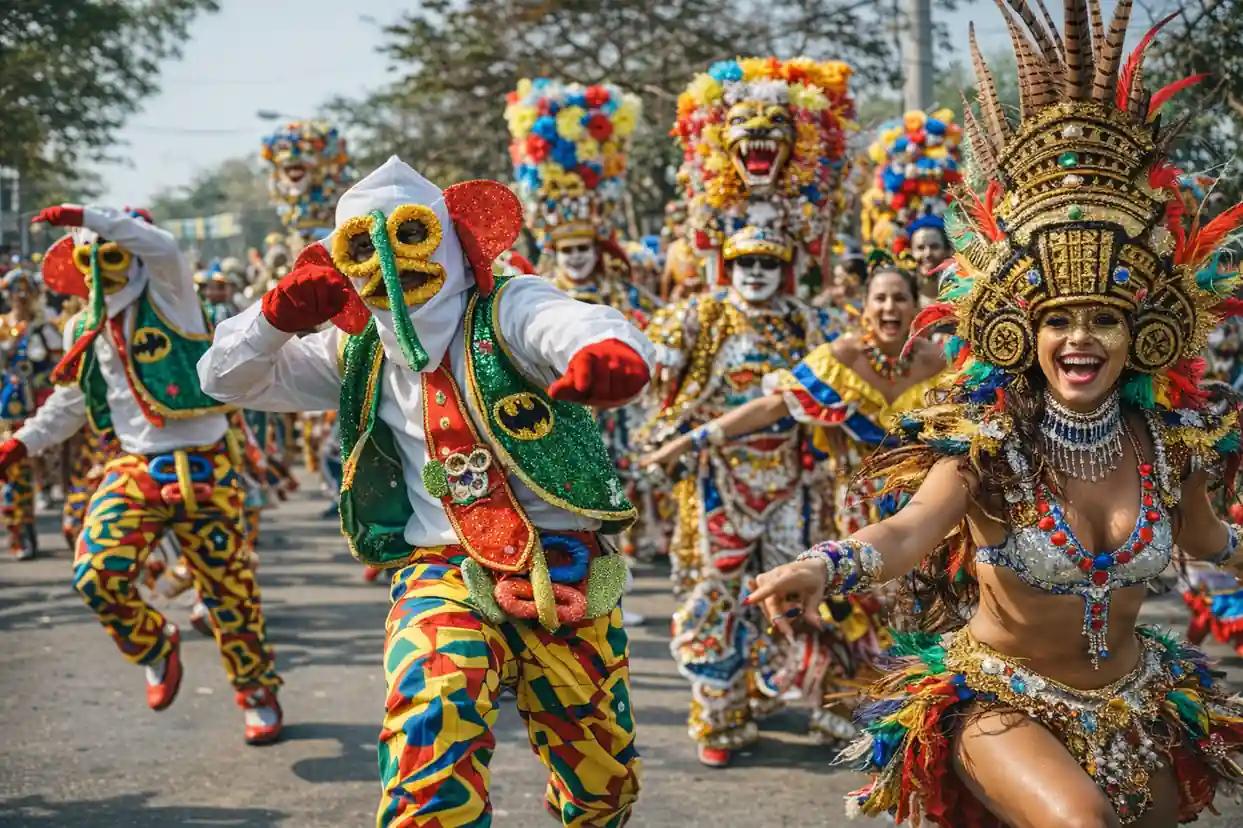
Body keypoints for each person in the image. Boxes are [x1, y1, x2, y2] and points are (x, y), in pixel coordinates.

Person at [746, 4, 1243, 824]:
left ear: (1138, 335)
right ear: (1022, 332)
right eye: (1056, 319)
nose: (1078, 339)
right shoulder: (989, 446)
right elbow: (906, 533)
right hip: (999, 701)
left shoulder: (1165, 444)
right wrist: (822, 566)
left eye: (1102, 319)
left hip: (1136, 702)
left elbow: (1208, 541)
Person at [197, 156, 649, 826]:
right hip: (442, 568)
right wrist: (273, 319)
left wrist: (605, 353)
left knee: (600, 786)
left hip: (565, 561)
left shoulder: (507, 307)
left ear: (451, 240)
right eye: (362, 249)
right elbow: (222, 380)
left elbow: (567, 321)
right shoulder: (352, 351)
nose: (386, 261)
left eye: (408, 239)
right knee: (433, 709)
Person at [5, 204, 283, 744]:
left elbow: (166, 250)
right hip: (135, 468)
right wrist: (21, 442)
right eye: (91, 258)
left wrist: (90, 215)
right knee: (95, 575)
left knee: (231, 595)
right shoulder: (81, 328)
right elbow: (73, 403)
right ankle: (154, 644)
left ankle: (256, 690)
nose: (104, 270)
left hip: (206, 466)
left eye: (113, 254)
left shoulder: (174, 300)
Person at [0, 268, 63, 559]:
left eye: (26, 291)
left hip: (36, 409)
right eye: (16, 291)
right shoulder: (1, 325)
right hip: (5, 411)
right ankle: (18, 532)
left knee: (33, 462)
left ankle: (30, 523)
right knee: (12, 473)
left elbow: (57, 369)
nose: (21, 297)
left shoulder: (43, 327)